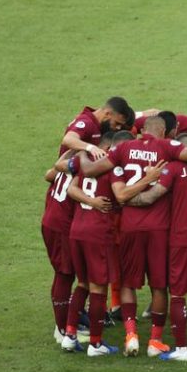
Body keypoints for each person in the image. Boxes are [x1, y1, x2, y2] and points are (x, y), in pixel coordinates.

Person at [62, 116, 187, 357]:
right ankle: (156, 340)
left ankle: (130, 335)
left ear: (141, 130)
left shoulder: (124, 149)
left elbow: (88, 171)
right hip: (163, 228)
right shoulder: (167, 148)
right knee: (160, 286)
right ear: (163, 132)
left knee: (127, 283)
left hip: (129, 226)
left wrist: (84, 151)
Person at [41, 97, 133, 343]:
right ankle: (63, 329)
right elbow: (69, 139)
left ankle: (73, 321)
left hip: (59, 214)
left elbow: (49, 174)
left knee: (76, 275)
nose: (116, 127)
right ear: (109, 113)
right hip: (62, 220)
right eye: (117, 123)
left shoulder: (78, 157)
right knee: (66, 274)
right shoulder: (87, 132)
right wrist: (89, 151)